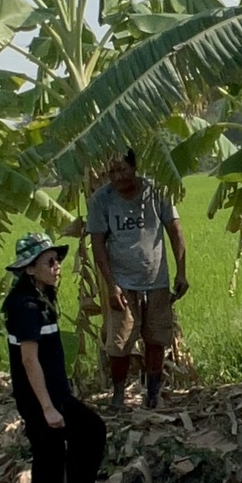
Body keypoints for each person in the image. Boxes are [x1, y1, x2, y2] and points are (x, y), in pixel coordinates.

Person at [2, 235, 108, 483]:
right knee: (56, 456)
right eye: (49, 261)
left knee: (66, 450)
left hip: (54, 395)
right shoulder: (26, 306)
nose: (56, 266)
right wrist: (47, 407)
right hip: (39, 400)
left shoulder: (42, 298)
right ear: (31, 269)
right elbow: (29, 359)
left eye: (56, 259)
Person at [86, 152, 188, 410]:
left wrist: (181, 272)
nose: (118, 177)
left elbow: (175, 231)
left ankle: (152, 392)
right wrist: (111, 285)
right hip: (122, 283)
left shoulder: (156, 192)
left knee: (156, 339)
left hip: (156, 280)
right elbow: (97, 244)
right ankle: (118, 394)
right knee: (119, 345)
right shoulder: (102, 200)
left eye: (122, 169)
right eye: (112, 172)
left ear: (134, 167)